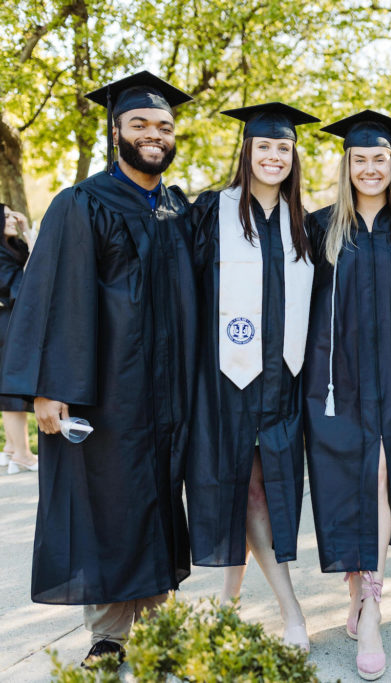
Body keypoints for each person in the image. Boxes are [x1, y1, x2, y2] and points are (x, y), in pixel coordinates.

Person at [0, 71, 197, 666]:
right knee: (109, 503)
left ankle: (160, 624)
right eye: (139, 124)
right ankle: (109, 636)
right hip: (104, 391)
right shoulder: (80, 202)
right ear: (117, 131)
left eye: (163, 126)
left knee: (160, 497)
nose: (153, 135)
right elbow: (54, 295)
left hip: (166, 389)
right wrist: (49, 390)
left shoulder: (175, 204)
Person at [305, 110, 391, 681]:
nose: (369, 168)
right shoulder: (318, 228)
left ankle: (374, 604)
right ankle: (355, 591)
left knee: (382, 475)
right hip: (335, 384)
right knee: (347, 482)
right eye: (359, 159)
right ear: (346, 166)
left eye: (379, 158)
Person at [187, 103, 318, 652]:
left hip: (282, 384)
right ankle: (290, 612)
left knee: (261, 493)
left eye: (283, 148)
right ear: (247, 152)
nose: (273, 156)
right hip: (224, 384)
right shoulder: (208, 212)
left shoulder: (304, 225)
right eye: (264, 147)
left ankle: (228, 603)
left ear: (293, 156)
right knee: (241, 492)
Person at [0, 204, 36, 474]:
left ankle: (12, 449)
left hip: (10, 321)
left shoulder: (13, 247)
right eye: (7, 215)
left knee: (8, 385)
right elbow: (25, 281)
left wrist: (26, 230)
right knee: (11, 389)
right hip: (6, 323)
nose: (13, 218)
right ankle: (23, 454)